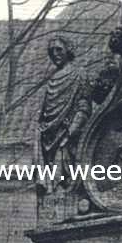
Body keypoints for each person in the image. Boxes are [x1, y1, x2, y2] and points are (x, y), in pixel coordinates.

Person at [38, 35, 91, 183]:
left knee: (64, 175)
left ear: (68, 50)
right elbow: (43, 111)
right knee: (49, 175)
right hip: (48, 136)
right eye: (51, 51)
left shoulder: (79, 74)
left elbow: (84, 106)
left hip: (67, 134)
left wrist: (71, 130)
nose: (55, 54)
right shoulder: (51, 79)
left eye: (59, 49)